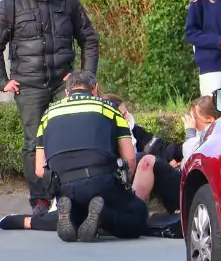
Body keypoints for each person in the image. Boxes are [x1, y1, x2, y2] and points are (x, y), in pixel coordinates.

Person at [0, 0, 100, 217]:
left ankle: (68, 195)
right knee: (34, 143)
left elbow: (89, 38)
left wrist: (85, 78)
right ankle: (40, 200)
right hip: (28, 87)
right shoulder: (10, 5)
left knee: (67, 138)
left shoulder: (67, 0)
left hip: (63, 84)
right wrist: (3, 81)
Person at [35, 71, 147, 243]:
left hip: (63, 185)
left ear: (67, 92)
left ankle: (71, 216)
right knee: (137, 215)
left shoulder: (48, 115)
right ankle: (104, 215)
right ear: (95, 89)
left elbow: (39, 168)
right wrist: (124, 186)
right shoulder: (109, 108)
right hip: (100, 181)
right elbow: (130, 158)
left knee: (80, 206)